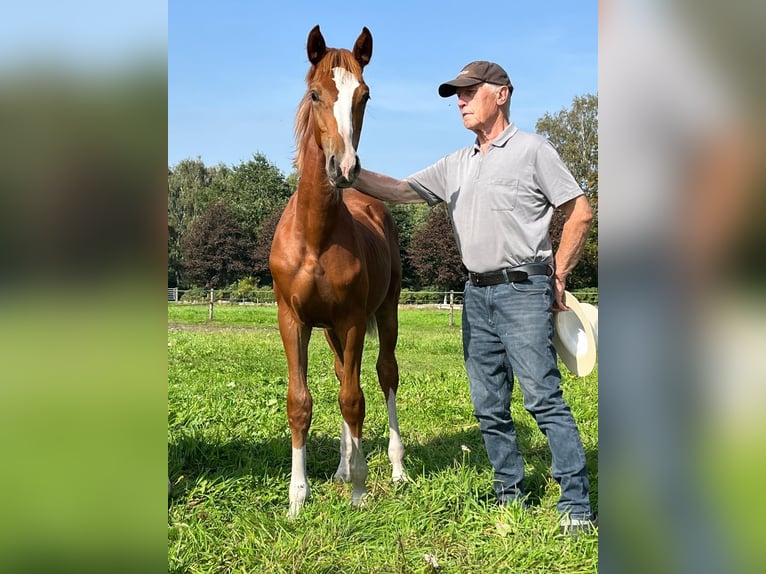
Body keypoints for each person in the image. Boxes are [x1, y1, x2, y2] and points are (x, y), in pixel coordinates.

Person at [353, 60, 596, 534]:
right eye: (456, 95)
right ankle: (511, 492)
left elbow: (580, 212)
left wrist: (559, 275)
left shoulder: (533, 150)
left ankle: (576, 506)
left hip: (525, 291)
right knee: (488, 405)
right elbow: (401, 190)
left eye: (469, 92)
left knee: (542, 399)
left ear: (501, 94)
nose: (460, 101)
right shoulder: (457, 164)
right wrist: (350, 171)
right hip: (476, 296)